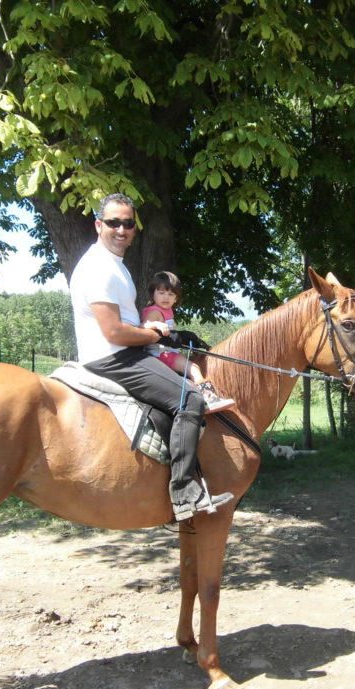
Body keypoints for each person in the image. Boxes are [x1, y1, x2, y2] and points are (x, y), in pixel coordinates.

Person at [70, 193, 234, 522]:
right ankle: (184, 491)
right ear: (98, 224)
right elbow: (114, 332)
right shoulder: (99, 268)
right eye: (113, 222)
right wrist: (154, 334)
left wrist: (156, 329)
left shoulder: (114, 266)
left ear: (134, 228)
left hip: (125, 350)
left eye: (127, 223)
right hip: (113, 357)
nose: (121, 229)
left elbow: (126, 323)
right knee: (190, 399)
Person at [141, 270, 235, 413]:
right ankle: (209, 399)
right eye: (161, 293)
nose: (165, 297)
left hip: (168, 353)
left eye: (171, 294)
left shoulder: (167, 311)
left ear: (176, 299)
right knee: (194, 369)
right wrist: (157, 325)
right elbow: (142, 326)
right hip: (161, 355)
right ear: (153, 294)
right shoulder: (155, 311)